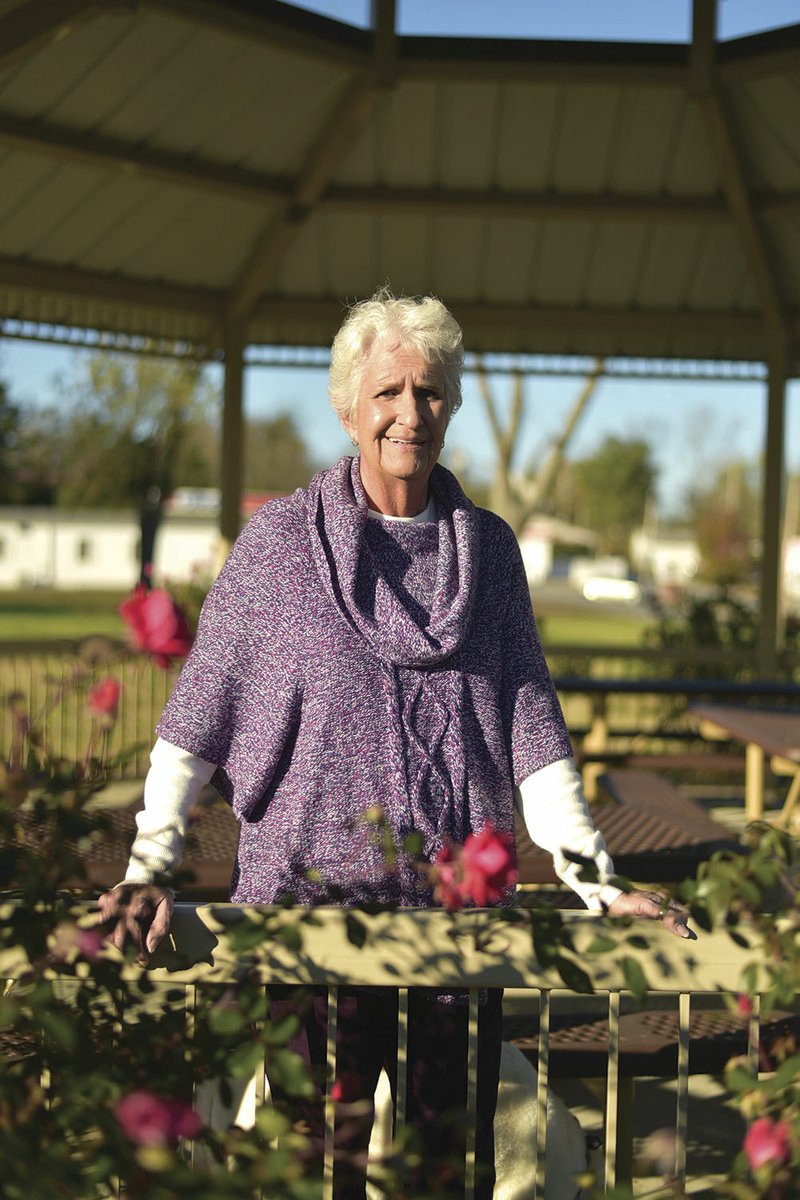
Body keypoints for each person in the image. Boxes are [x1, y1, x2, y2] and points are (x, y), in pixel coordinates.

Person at [99, 287, 691, 1198]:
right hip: (306, 931)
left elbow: (532, 733)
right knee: (306, 1170)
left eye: (432, 393)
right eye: (387, 393)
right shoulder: (277, 547)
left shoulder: (490, 554)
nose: (410, 414)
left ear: (451, 407)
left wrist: (598, 883)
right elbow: (197, 724)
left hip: (452, 946)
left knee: (438, 1176)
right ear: (347, 406)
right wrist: (149, 868)